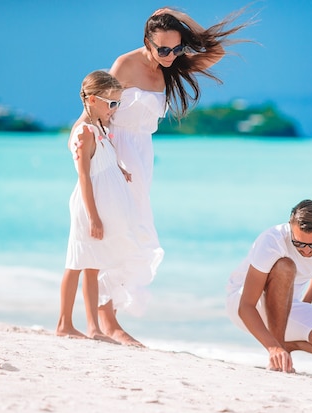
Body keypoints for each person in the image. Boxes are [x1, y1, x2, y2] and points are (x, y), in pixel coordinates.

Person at [93, 7, 251, 345]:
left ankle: (110, 318)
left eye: (177, 48)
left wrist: (179, 16)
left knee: (134, 232)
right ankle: (106, 323)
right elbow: (98, 112)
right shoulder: (125, 64)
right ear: (147, 42)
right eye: (162, 49)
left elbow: (216, 51)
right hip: (114, 152)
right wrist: (101, 157)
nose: (170, 55)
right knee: (114, 229)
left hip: (141, 158)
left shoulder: (174, 66)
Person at [56, 70, 144, 346]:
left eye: (117, 103)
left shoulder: (99, 129)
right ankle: (64, 323)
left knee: (92, 266)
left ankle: (93, 326)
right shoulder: (84, 132)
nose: (115, 110)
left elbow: (102, 161)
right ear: (93, 100)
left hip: (100, 208)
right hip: (86, 207)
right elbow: (84, 175)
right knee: (75, 264)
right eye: (112, 103)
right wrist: (93, 217)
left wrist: (120, 170)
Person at [226, 199, 312, 373]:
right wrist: (272, 347)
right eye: (299, 243)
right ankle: (277, 352)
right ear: (290, 227)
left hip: (286, 306)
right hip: (242, 302)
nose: (306, 251)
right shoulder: (272, 240)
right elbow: (245, 306)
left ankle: (284, 346)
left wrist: (308, 300)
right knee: (285, 266)